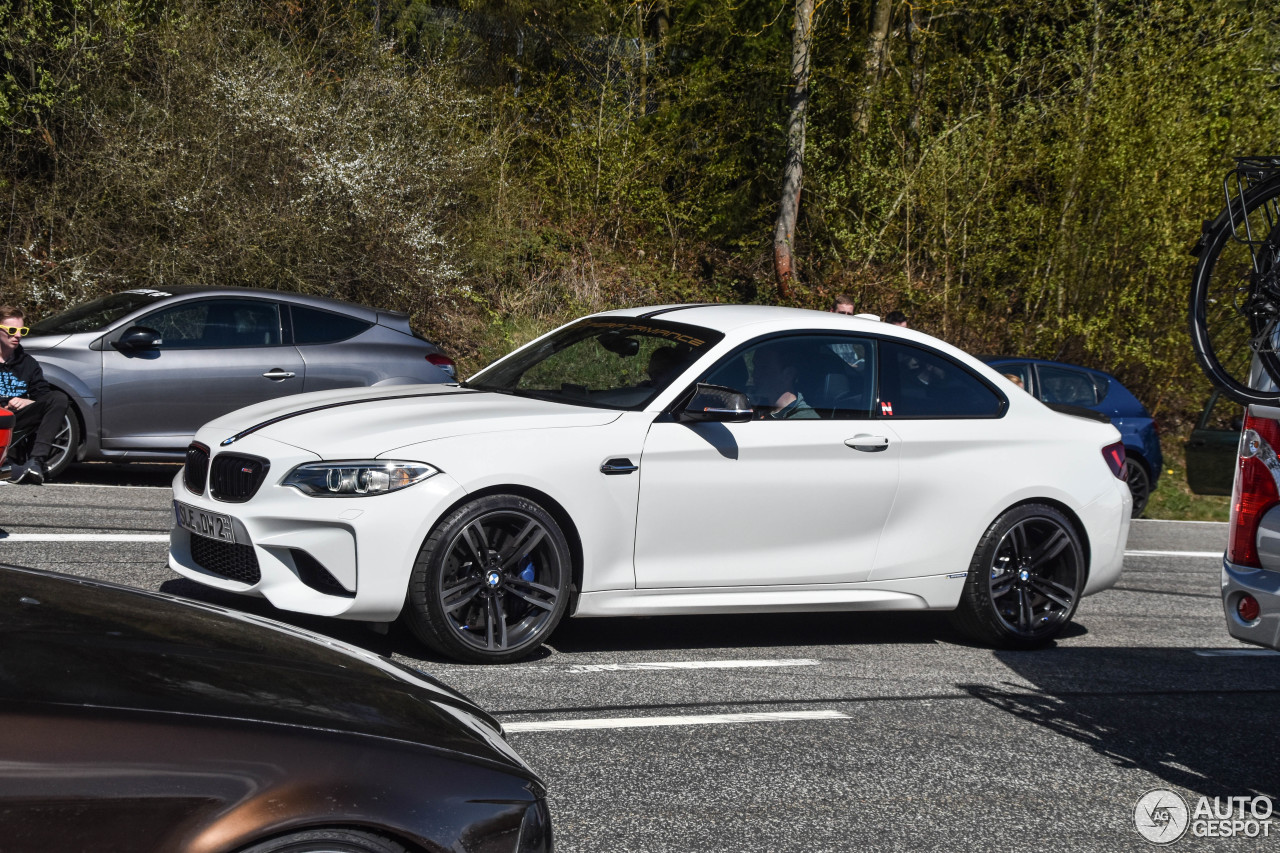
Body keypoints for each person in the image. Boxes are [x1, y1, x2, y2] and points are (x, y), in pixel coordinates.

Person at [0, 305, 69, 484]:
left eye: (22, 330)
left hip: (17, 417)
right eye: (12, 330)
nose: (18, 335)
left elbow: (43, 394)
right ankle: (7, 465)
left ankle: (36, 461)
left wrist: (27, 401)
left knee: (59, 398)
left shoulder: (28, 363)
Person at [750, 344, 818, 419]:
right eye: (755, 366)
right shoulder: (760, 412)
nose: (754, 374)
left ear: (788, 375)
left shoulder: (804, 421)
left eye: (763, 368)